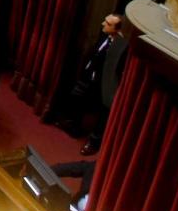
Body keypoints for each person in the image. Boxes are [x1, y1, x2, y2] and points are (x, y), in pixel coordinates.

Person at [53, 14, 129, 155]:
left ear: (116, 29)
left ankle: (93, 142)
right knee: (77, 98)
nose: (102, 24)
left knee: (102, 115)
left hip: (104, 86)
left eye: (107, 23)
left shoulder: (121, 48)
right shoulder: (105, 36)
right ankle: (74, 126)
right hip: (90, 79)